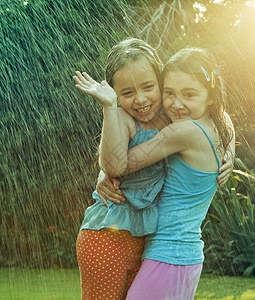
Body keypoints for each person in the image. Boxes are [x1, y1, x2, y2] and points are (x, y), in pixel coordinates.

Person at [74, 39, 234, 300]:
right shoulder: (181, 119)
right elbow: (222, 114)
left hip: (166, 251)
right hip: (140, 243)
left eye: (150, 87)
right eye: (170, 92)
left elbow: (117, 163)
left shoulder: (180, 127)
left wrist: (230, 151)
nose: (176, 103)